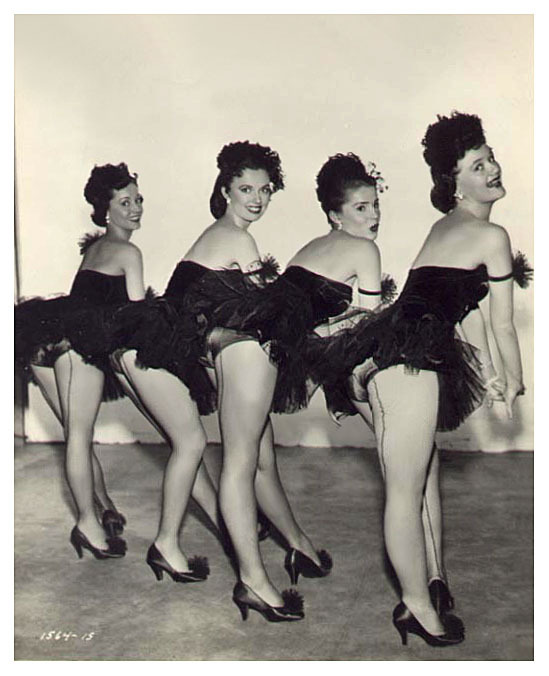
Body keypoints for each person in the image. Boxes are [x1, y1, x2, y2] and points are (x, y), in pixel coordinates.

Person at [280, 114, 528, 646]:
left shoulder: (447, 228)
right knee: (404, 487)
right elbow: (503, 322)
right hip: (406, 363)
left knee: (422, 473)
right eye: (476, 166)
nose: (492, 169)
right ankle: (416, 605)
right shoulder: (490, 234)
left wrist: (487, 371)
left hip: (391, 353)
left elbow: (471, 309)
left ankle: (433, 582)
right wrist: (513, 383)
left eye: (490, 159)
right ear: (453, 184)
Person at [147, 141, 332, 621]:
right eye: (246, 188)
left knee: (258, 455)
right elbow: (265, 314)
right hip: (171, 352)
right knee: (240, 460)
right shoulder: (238, 240)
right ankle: (252, 579)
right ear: (225, 189)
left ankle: (299, 546)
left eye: (265, 190)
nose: (257, 198)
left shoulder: (223, 234)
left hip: (179, 348)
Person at [15, 162, 144, 558]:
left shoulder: (94, 248)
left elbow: (83, 301)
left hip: (41, 336)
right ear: (105, 210)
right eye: (125, 202)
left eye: (138, 199)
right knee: (80, 434)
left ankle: (103, 509)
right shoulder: (128, 252)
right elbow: (140, 316)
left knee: (76, 433)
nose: (136, 208)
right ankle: (87, 523)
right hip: (74, 346)